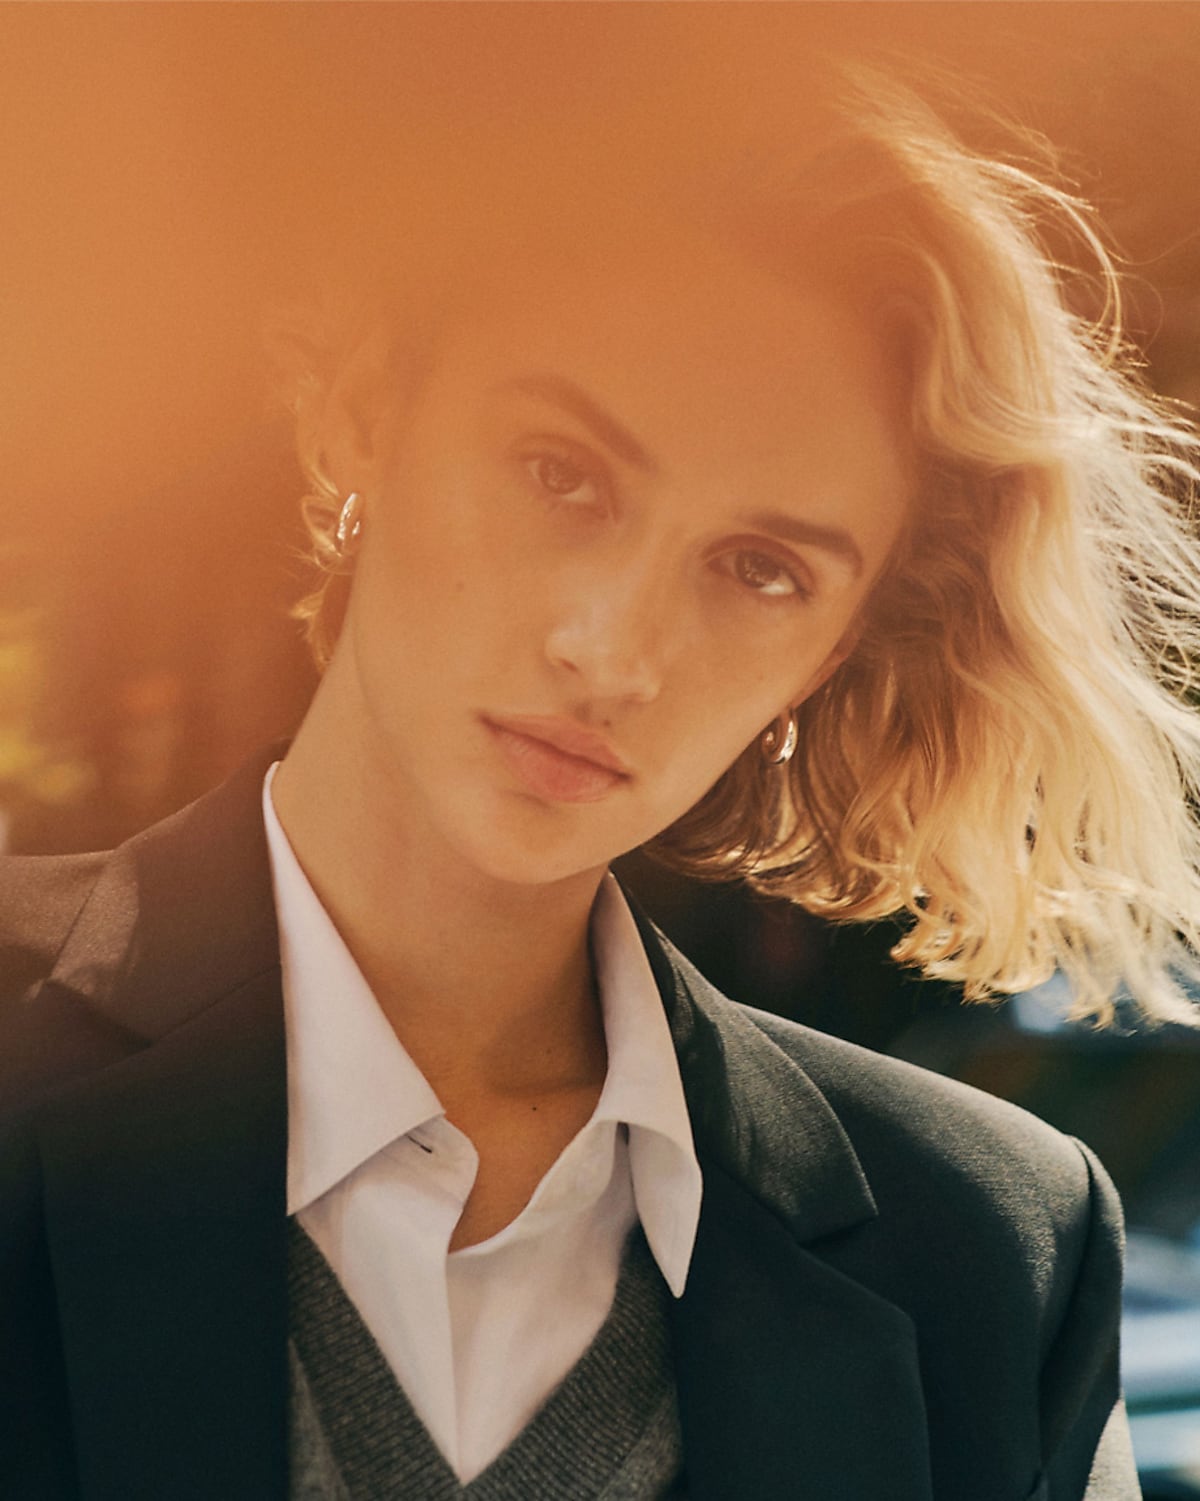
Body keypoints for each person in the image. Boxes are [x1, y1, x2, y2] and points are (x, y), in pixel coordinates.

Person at [3, 45, 1198, 1501]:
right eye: (562, 474)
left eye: (759, 570)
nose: (613, 649)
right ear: (366, 407)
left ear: (823, 659)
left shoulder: (996, 1265)